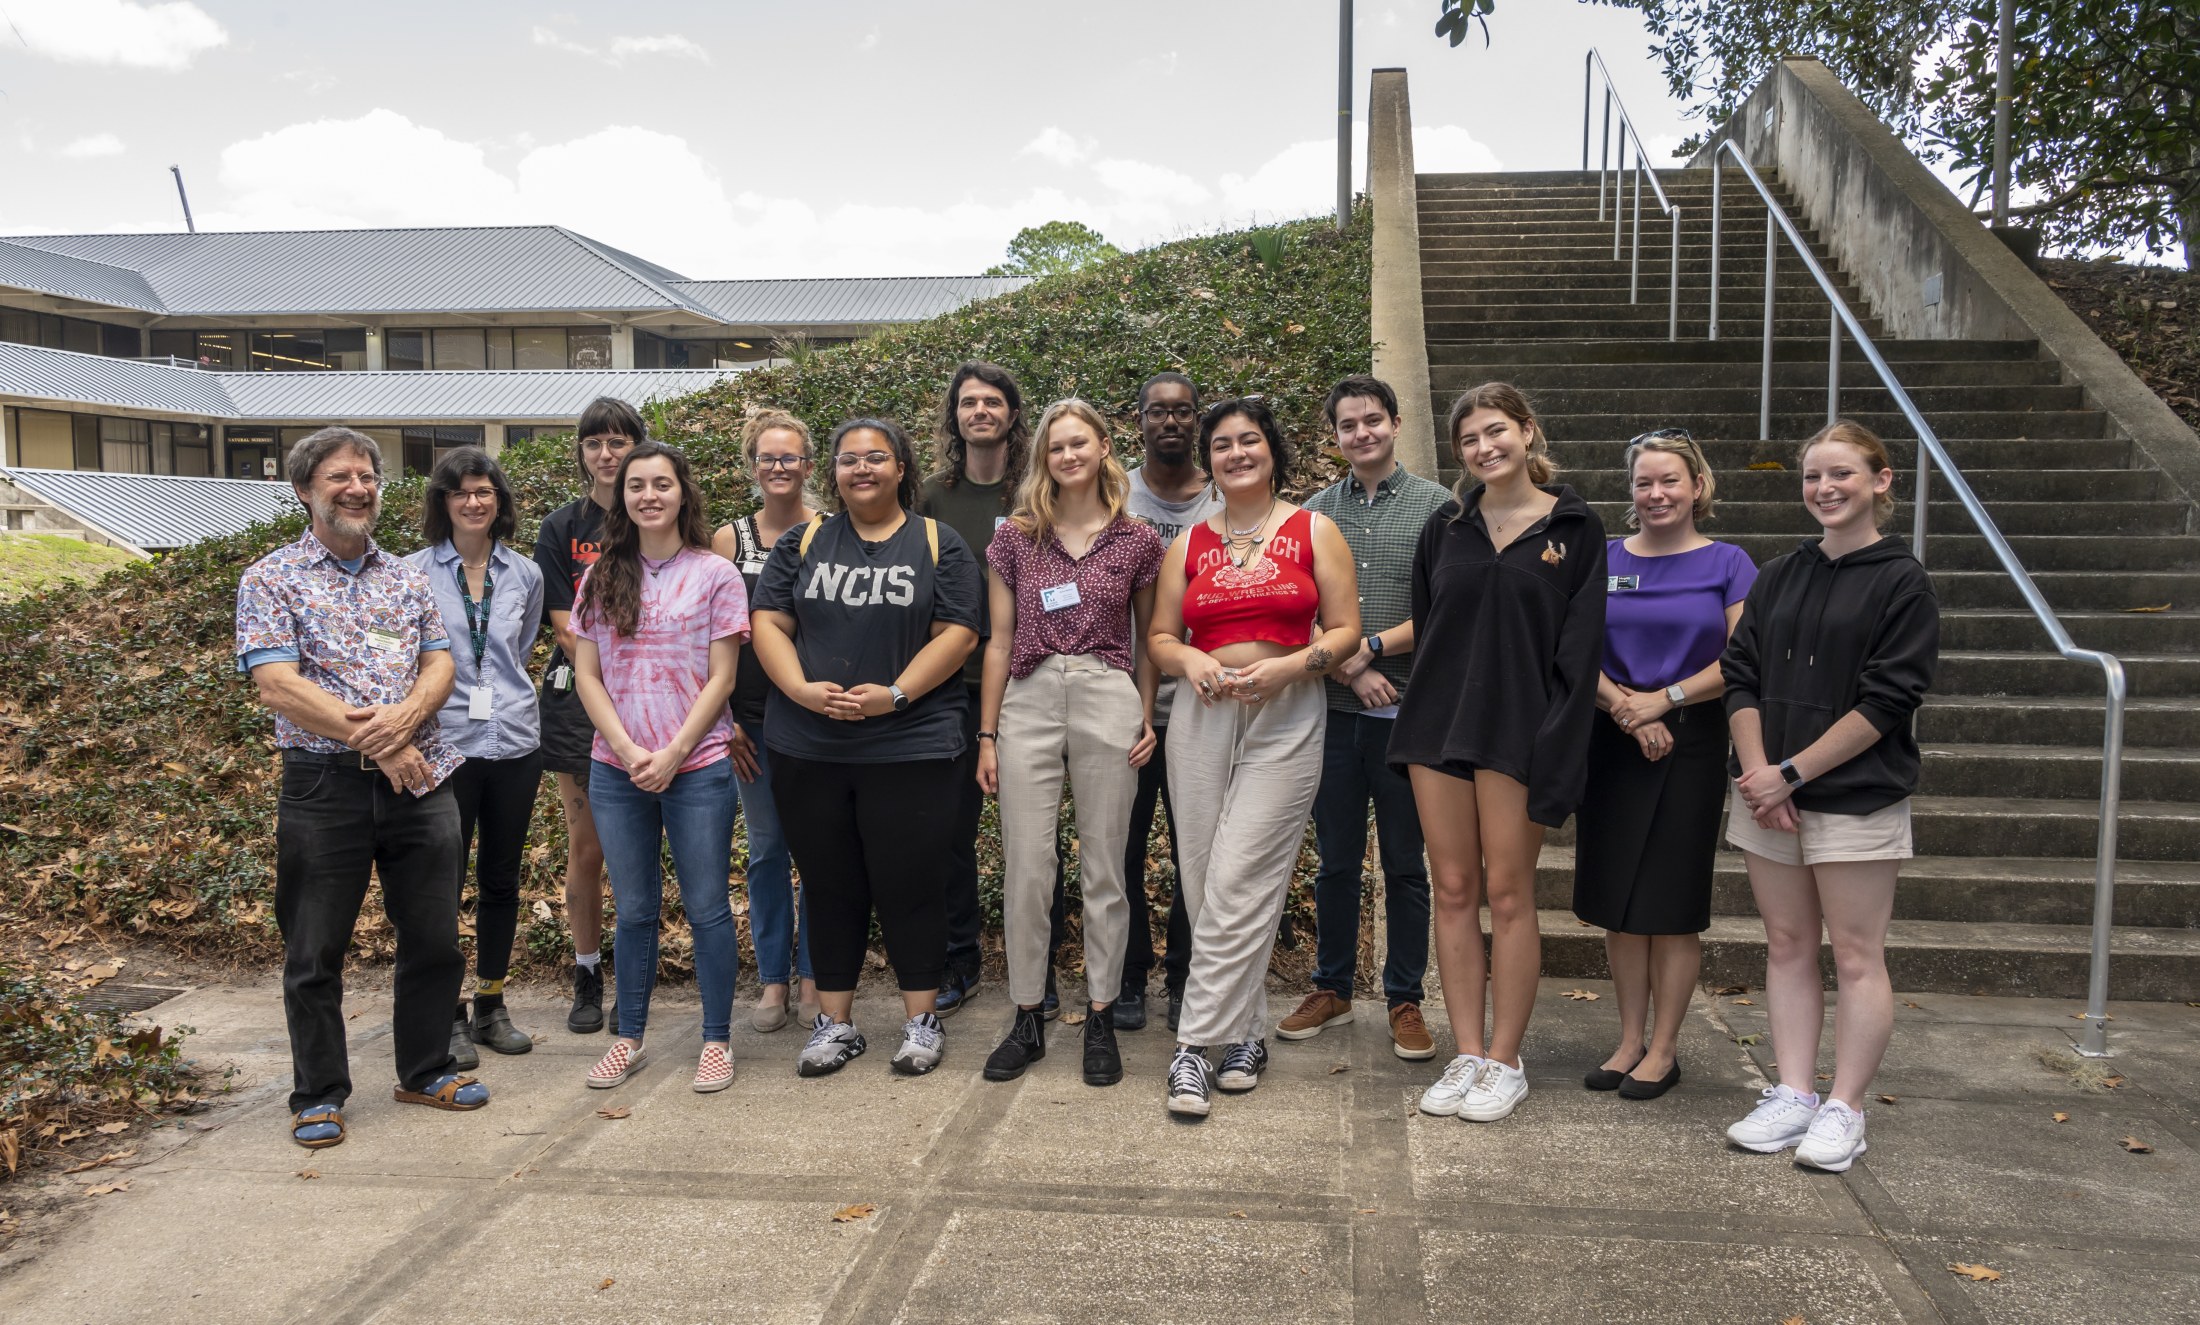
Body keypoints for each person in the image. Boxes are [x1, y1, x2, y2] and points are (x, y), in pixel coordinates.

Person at [236, 426, 487, 1149]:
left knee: (434, 936)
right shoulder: (271, 578)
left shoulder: (405, 576)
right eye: (340, 477)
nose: (357, 488)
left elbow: (440, 664)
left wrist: (406, 722)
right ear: (304, 490)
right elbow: (278, 684)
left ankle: (426, 1069)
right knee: (314, 947)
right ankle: (318, 1093)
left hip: (421, 781)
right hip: (324, 786)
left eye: (368, 477)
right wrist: (382, 742)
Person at [1721, 420, 1937, 1172]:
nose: (1825, 488)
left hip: (1855, 797)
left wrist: (1792, 773)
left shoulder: (1902, 581)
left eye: (1842, 473)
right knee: (1786, 944)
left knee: (1855, 954)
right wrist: (1761, 775)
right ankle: (1793, 1093)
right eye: (1814, 475)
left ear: (1880, 480)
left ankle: (1845, 1108)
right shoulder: (1780, 573)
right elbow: (1741, 674)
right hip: (1768, 796)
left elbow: (1889, 700)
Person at [1390, 383, 1606, 1125]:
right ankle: (1469, 1052)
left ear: (1528, 431)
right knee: (1452, 889)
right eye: (1469, 439)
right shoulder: (1444, 527)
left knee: (1509, 894)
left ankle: (1506, 1060)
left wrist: (1558, 741)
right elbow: (1429, 626)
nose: (1485, 447)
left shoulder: (1575, 527)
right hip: (1438, 728)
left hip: (1520, 730)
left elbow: (1580, 649)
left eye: (1496, 431)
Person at [1148, 397, 1360, 1118]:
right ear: (1208, 459)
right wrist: (1191, 661)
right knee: (1205, 877)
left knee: (1244, 872)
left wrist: (1292, 666)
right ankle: (1244, 1035)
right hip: (1203, 713)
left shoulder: (1314, 529)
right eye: (1222, 444)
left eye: (1249, 441)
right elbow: (1161, 638)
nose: (1236, 453)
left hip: (1287, 710)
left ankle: (1191, 1046)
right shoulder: (1187, 543)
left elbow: (1346, 630)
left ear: (1272, 450)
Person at [751, 417, 982, 1078]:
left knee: (913, 882)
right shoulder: (804, 541)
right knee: (829, 885)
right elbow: (767, 621)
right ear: (833, 472)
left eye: (876, 457)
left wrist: (897, 694)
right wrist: (800, 689)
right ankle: (836, 1024)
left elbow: (959, 632)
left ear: (901, 467)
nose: (862, 469)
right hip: (810, 745)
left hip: (912, 745)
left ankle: (921, 1019)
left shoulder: (938, 542)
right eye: (848, 459)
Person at [975, 399, 1164, 1088]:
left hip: (1106, 691)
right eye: (1056, 447)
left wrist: (1145, 714)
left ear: (1104, 446)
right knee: (1028, 865)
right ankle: (1028, 1013)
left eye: (1079, 443)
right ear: (1044, 457)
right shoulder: (1015, 539)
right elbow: (998, 641)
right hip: (1028, 694)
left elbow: (1149, 639)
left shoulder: (1138, 540)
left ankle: (1103, 1014)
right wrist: (988, 734)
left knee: (1106, 866)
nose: (1068, 456)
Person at [1573, 429, 1756, 1100]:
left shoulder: (1728, 563)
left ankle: (1665, 1048)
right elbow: (1572, 647)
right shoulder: (1606, 558)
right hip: (1611, 734)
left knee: (1671, 904)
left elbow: (1742, 658)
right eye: (1644, 482)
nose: (1656, 493)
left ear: (1697, 486)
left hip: (1691, 740)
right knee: (1620, 902)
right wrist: (1627, 707)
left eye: (1670, 480)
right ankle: (1629, 1039)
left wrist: (1665, 700)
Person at [570, 442, 749, 1094]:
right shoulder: (600, 576)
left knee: (707, 908)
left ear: (683, 493)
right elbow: (588, 676)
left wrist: (673, 752)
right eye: (637, 485)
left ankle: (716, 1040)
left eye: (662, 484)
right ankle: (630, 1037)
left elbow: (722, 676)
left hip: (697, 765)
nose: (649, 495)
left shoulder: (715, 574)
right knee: (636, 910)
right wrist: (626, 750)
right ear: (622, 497)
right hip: (616, 769)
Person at [1280, 375, 1450, 1062]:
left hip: (1408, 715)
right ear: (1336, 436)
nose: (1362, 433)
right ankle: (1333, 987)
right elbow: (1298, 609)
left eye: (1373, 420)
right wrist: (1350, 667)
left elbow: (1446, 607)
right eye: (1348, 425)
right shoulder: (1314, 514)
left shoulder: (1438, 507)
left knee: (1405, 863)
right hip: (1333, 712)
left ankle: (1405, 997)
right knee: (1337, 861)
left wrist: (1373, 647)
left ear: (1396, 423)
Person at [407, 447, 547, 1070]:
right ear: (443, 501)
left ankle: (491, 1002)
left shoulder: (525, 573)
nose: (473, 502)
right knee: (441, 883)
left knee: (500, 879)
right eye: (461, 492)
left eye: (484, 491)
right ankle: (445, 1014)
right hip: (445, 745)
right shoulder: (411, 573)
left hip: (514, 741)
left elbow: (520, 647)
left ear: (499, 501)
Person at [918, 361, 1033, 1017]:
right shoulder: (932, 497)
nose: (980, 411)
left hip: (1030, 682)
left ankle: (1035, 968)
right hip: (951, 690)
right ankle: (960, 959)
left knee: (1032, 837)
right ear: (955, 416)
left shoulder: (1037, 493)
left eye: (992, 401)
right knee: (951, 833)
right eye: (969, 402)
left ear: (1012, 415)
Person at [533, 397, 641, 1033]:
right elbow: (565, 628)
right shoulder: (561, 527)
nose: (606, 453)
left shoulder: (658, 512)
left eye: (618, 441)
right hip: (581, 701)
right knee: (589, 845)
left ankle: (636, 972)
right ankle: (587, 970)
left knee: (643, 847)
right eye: (595, 442)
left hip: (659, 701)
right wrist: (614, 688)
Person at [712, 411, 822, 1033]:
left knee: (820, 848)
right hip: (750, 723)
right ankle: (774, 978)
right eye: (767, 458)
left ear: (808, 465)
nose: (778, 468)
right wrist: (723, 718)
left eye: (790, 457)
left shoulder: (831, 531)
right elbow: (710, 636)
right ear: (752, 466)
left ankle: (814, 976)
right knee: (767, 850)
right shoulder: (729, 541)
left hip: (817, 719)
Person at [1118, 371, 1218, 1033]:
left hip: (1202, 705)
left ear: (1197, 420)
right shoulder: (1113, 494)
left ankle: (1185, 977)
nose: (1172, 422)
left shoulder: (1224, 498)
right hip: (1121, 704)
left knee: (1196, 852)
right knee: (1119, 850)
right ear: (1140, 421)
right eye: (1159, 412)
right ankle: (1128, 974)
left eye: (1183, 411)